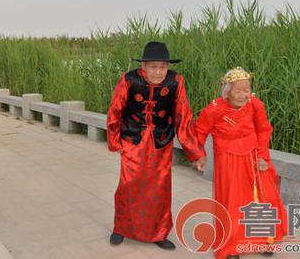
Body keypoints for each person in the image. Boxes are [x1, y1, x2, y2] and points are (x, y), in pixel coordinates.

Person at [106, 41, 207, 250]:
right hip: (132, 140)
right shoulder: (128, 80)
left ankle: (159, 233)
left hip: (161, 142)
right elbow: (115, 110)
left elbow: (183, 117)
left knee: (159, 189)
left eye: (163, 67)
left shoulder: (175, 82)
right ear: (143, 66)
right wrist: (115, 142)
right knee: (128, 186)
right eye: (153, 66)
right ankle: (121, 228)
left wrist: (195, 153)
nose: (158, 72)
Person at [193, 67, 287, 259]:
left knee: (262, 197)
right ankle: (231, 246)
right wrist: (199, 155)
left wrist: (262, 156)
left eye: (247, 90)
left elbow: (264, 129)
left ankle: (263, 241)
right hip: (228, 159)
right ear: (227, 92)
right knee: (233, 202)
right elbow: (199, 131)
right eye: (238, 90)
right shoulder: (215, 108)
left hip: (254, 157)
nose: (244, 95)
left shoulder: (255, 104)